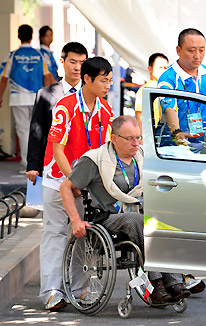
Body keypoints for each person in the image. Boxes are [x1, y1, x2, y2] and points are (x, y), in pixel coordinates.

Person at [59, 115, 190, 305]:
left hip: (140, 214)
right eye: (130, 139)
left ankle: (175, 282)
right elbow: (66, 187)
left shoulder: (143, 156)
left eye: (138, 137)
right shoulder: (95, 160)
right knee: (137, 220)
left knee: (161, 220)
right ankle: (157, 283)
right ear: (114, 138)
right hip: (108, 219)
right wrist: (76, 221)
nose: (136, 143)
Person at [39, 56, 114, 311]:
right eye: (104, 81)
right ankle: (51, 292)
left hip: (85, 182)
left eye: (110, 81)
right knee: (55, 233)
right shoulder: (65, 106)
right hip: (58, 178)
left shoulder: (106, 110)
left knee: (83, 235)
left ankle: (80, 291)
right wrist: (72, 179)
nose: (107, 86)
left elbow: (105, 150)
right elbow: (57, 148)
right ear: (87, 79)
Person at [26, 42, 88, 185]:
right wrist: (33, 166)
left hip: (83, 163)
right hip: (52, 166)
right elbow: (36, 131)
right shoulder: (45, 94)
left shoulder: (91, 95)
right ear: (62, 61)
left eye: (82, 62)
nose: (77, 67)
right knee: (52, 206)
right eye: (73, 62)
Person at [0, 24, 54, 173]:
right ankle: (39, 163)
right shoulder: (40, 55)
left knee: (23, 131)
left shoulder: (12, 56)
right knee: (38, 130)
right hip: (37, 98)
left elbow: (3, 78)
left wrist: (0, 97)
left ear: (18, 36)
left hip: (18, 99)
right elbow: (47, 78)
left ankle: (26, 164)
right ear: (32, 36)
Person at [158, 28, 206, 144]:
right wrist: (177, 133)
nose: (197, 56)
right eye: (191, 50)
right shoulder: (169, 78)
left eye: (201, 50)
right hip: (177, 148)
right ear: (178, 50)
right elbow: (169, 109)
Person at [135, 53, 169, 140]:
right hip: (152, 139)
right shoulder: (144, 91)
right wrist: (143, 142)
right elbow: (140, 119)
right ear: (150, 69)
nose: (163, 71)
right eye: (160, 68)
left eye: (165, 68)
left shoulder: (168, 89)